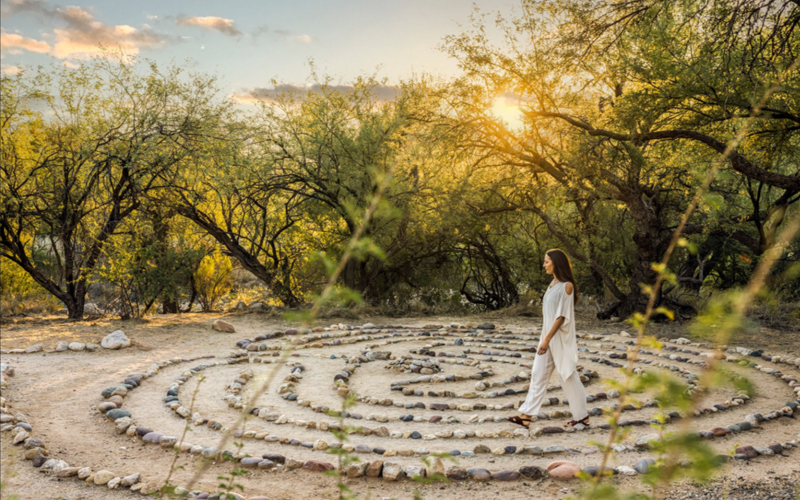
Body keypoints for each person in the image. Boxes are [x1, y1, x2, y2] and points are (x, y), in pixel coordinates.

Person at [505, 248, 589, 428]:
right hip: (548, 337)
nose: (544, 265)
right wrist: (545, 338)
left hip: (558, 339)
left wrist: (546, 340)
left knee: (568, 376)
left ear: (556, 263)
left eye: (547, 262)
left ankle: (582, 417)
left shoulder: (567, 286)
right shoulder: (552, 284)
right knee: (538, 374)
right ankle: (526, 415)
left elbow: (561, 317)